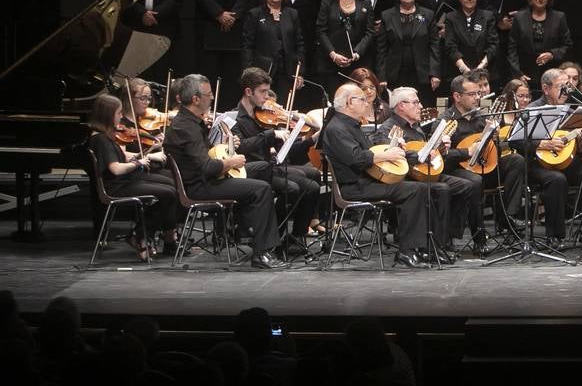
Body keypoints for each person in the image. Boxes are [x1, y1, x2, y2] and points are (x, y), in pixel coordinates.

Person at [162, 74, 280, 269]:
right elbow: (207, 167)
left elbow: (206, 154)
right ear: (196, 99)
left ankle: (247, 231)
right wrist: (231, 162)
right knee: (261, 189)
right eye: (209, 94)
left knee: (260, 171)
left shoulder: (191, 122)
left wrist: (226, 146)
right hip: (199, 187)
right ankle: (261, 252)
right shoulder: (186, 128)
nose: (212, 98)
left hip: (205, 180)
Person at [320, 83, 432, 268]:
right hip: (354, 187)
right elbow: (356, 158)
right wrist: (384, 155)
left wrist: (393, 149)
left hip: (366, 181)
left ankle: (419, 247)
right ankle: (407, 251)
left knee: (417, 186)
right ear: (349, 102)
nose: (367, 103)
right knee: (414, 189)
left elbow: (368, 151)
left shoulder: (350, 125)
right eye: (362, 99)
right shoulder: (337, 128)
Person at [373, 86, 477, 256]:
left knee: (467, 185)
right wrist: (420, 154)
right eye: (415, 102)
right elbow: (389, 157)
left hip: (423, 173)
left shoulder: (416, 128)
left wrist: (441, 150)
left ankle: (447, 235)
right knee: (442, 190)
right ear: (401, 106)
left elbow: (427, 153)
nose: (420, 106)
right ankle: (435, 244)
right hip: (407, 179)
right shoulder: (388, 128)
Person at [231, 67, 320, 254]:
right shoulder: (235, 118)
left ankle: (296, 236)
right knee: (293, 188)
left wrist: (289, 122)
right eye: (262, 92)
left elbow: (274, 138)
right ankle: (274, 237)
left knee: (313, 181)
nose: (267, 97)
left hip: (270, 166)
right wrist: (271, 135)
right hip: (251, 169)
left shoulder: (262, 113)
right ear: (248, 92)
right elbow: (241, 147)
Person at [438, 72, 527, 249]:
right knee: (475, 182)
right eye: (472, 94)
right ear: (457, 96)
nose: (477, 98)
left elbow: (497, 149)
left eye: (478, 93)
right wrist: (466, 152)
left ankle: (508, 217)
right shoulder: (446, 119)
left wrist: (493, 138)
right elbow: (441, 154)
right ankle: (479, 238)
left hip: (484, 165)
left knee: (516, 160)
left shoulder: (481, 116)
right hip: (458, 170)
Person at [87, 92, 180, 260]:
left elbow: (123, 158)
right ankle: (141, 234)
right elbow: (116, 169)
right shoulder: (100, 139)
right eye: (119, 113)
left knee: (173, 187)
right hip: (117, 186)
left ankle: (143, 234)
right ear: (108, 115)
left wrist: (147, 154)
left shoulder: (108, 136)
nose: (121, 116)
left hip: (126, 180)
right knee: (169, 193)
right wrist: (139, 163)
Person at [522, 68, 582, 245]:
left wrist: (581, 143)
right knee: (557, 180)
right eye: (561, 86)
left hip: (565, 161)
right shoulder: (532, 109)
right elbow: (515, 142)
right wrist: (541, 144)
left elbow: (580, 150)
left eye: (568, 86)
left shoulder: (571, 111)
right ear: (546, 88)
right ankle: (555, 236)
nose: (566, 91)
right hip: (537, 164)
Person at [377, 0, 442, 108]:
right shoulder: (387, 15)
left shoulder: (428, 15)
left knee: (422, 111)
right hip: (395, 74)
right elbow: (381, 49)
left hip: (422, 75)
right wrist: (381, 76)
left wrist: (435, 73)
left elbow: (434, 46)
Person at [239, 0, 306, 97]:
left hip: (287, 72)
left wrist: (300, 72)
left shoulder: (292, 14)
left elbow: (299, 45)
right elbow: (247, 46)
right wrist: (248, 73)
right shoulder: (255, 14)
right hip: (262, 73)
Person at [315, 0, 375, 95]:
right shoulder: (327, 2)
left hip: (357, 64)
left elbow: (370, 32)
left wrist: (357, 53)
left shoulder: (366, 3)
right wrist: (333, 54)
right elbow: (320, 30)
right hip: (332, 64)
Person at [506, 0, 572, 87]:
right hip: (525, 75)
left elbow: (567, 46)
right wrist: (518, 74)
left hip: (553, 77)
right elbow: (512, 49)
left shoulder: (559, 17)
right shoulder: (519, 17)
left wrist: (552, 54)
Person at [443, 0, 498, 80]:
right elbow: (450, 46)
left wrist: (480, 67)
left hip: (485, 71)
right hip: (459, 73)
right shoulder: (451, 17)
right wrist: (464, 69)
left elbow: (493, 45)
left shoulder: (488, 16)